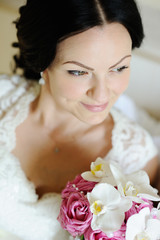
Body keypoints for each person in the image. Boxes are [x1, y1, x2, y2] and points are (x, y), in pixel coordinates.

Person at [0, 0, 158, 239]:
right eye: (79, 72)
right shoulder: (3, 97)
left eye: (119, 68)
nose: (102, 94)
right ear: (43, 63)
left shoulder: (135, 160)